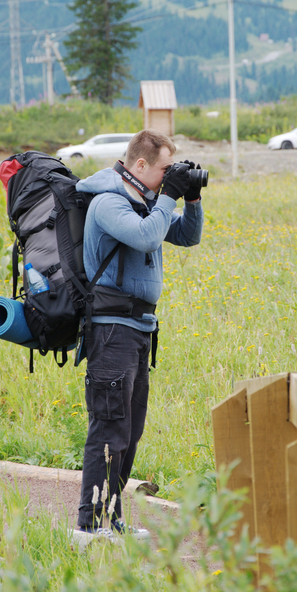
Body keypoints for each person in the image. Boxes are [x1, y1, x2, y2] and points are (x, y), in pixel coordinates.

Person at [74, 129, 204, 537]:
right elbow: (147, 237)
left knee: (129, 431)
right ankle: (88, 527)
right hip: (111, 330)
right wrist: (168, 197)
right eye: (165, 170)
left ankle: (111, 518)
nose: (169, 178)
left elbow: (187, 235)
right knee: (109, 428)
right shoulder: (110, 201)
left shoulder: (145, 202)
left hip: (137, 330)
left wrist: (192, 197)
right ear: (141, 165)